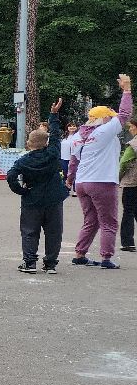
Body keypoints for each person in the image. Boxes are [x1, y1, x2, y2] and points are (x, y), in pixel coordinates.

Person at [67, 74, 134, 268]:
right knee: (109, 222)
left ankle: (80, 254)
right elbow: (124, 114)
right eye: (110, 116)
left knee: (91, 220)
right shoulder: (105, 130)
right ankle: (106, 257)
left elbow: (73, 160)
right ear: (104, 118)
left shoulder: (80, 135)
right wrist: (127, 90)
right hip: (102, 181)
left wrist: (70, 179)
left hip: (82, 183)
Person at [6, 99, 68, 274]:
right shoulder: (53, 153)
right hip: (54, 197)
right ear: (45, 143)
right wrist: (53, 114)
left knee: (29, 231)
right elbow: (55, 135)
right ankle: (50, 264)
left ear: (29, 143)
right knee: (54, 232)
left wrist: (21, 190)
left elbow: (10, 176)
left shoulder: (23, 160)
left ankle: (30, 262)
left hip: (32, 198)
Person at [120, 117, 137, 253]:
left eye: (132, 127)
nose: (130, 129)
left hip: (132, 181)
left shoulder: (133, 144)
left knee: (128, 210)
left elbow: (123, 163)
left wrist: (117, 178)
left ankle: (127, 242)